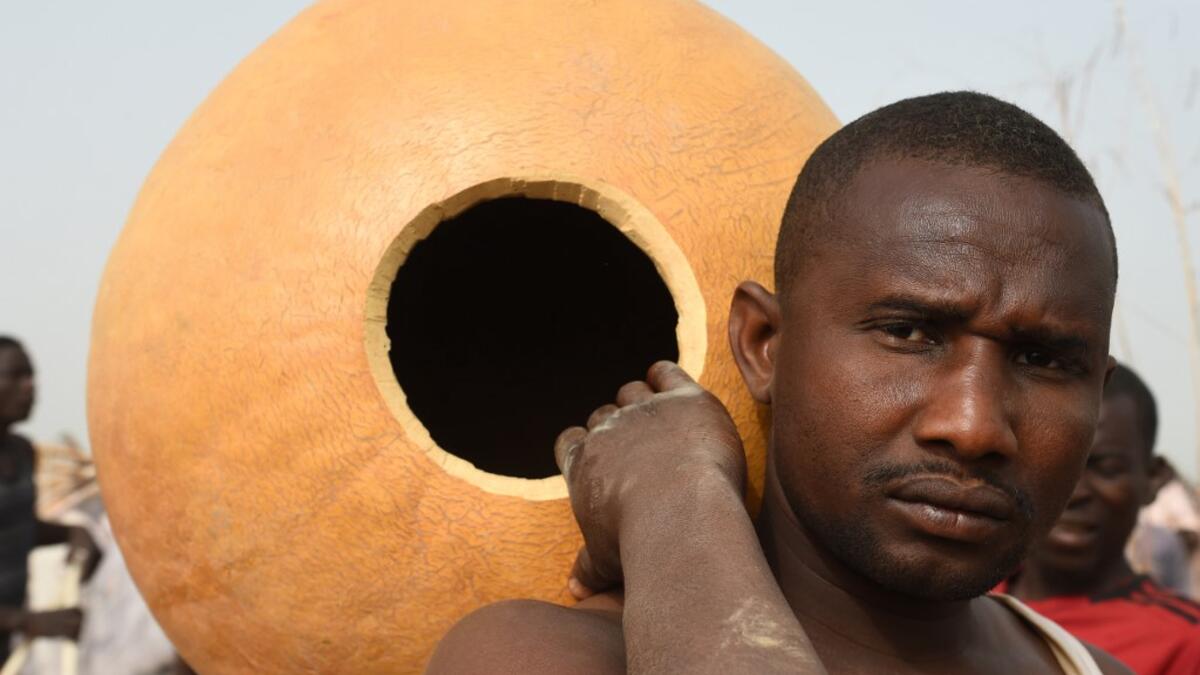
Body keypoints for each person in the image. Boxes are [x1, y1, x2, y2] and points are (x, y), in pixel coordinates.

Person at [426, 91, 1130, 674]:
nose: (974, 425)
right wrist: (681, 497)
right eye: (910, 333)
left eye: (1044, 360)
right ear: (764, 345)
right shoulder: (547, 658)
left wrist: (674, 506)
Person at [1004, 364, 1200, 674]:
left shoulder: (1186, 643)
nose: (1074, 491)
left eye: (1106, 468)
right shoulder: (951, 605)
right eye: (1052, 463)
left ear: (1152, 478)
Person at [0, 336, 100, 663]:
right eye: (15, 376)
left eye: (31, 375)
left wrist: (73, 534)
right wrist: (27, 621)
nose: (30, 386)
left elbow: (17, 527)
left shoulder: (23, 452)